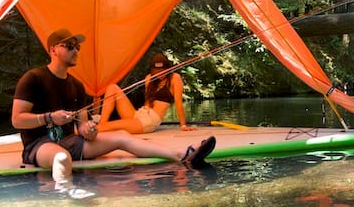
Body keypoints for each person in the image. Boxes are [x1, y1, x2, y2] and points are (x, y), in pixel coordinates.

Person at [11, 29, 216, 193]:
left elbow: (82, 124)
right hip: (40, 145)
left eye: (78, 46)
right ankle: (67, 192)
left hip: (71, 142)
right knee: (62, 158)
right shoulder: (33, 78)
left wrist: (88, 129)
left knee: (122, 136)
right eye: (70, 46)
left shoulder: (77, 86)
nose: (76, 50)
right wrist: (49, 117)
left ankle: (182, 155)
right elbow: (17, 120)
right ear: (53, 49)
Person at [98, 52, 195, 134]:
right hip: (140, 114)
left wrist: (183, 125)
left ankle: (96, 129)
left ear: (167, 69)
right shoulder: (149, 78)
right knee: (112, 88)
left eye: (163, 70)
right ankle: (101, 123)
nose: (160, 73)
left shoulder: (174, 78)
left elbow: (178, 103)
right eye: (157, 71)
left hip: (150, 120)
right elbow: (148, 102)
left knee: (110, 126)